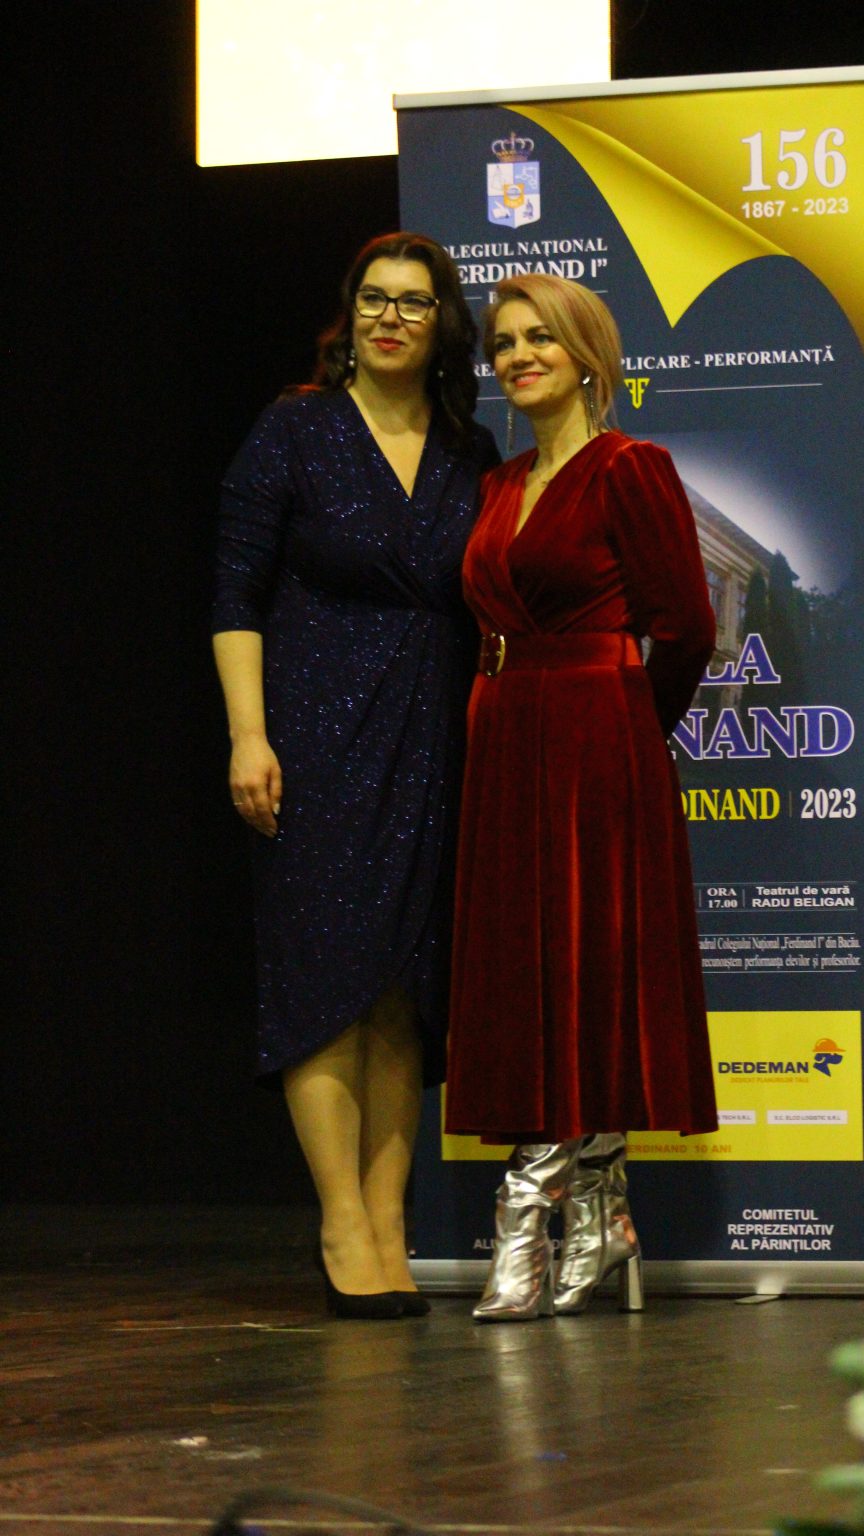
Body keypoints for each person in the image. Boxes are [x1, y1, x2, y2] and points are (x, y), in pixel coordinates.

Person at [212, 232, 498, 1319]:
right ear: (351, 314)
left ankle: (387, 1222)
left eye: (414, 303)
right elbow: (234, 594)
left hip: (434, 738)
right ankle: (340, 1220)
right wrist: (248, 736)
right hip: (314, 736)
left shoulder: (469, 449)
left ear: (442, 325)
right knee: (325, 982)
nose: (390, 318)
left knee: (402, 993)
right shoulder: (295, 429)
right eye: (374, 299)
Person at [444, 274, 718, 1321]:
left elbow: (686, 626)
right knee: (527, 980)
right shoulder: (498, 483)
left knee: (590, 971)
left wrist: (628, 730)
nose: (517, 356)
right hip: (503, 742)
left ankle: (524, 1211)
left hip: (598, 741)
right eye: (504, 342)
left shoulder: (630, 466)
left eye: (540, 338)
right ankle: (603, 1217)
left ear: (588, 355)